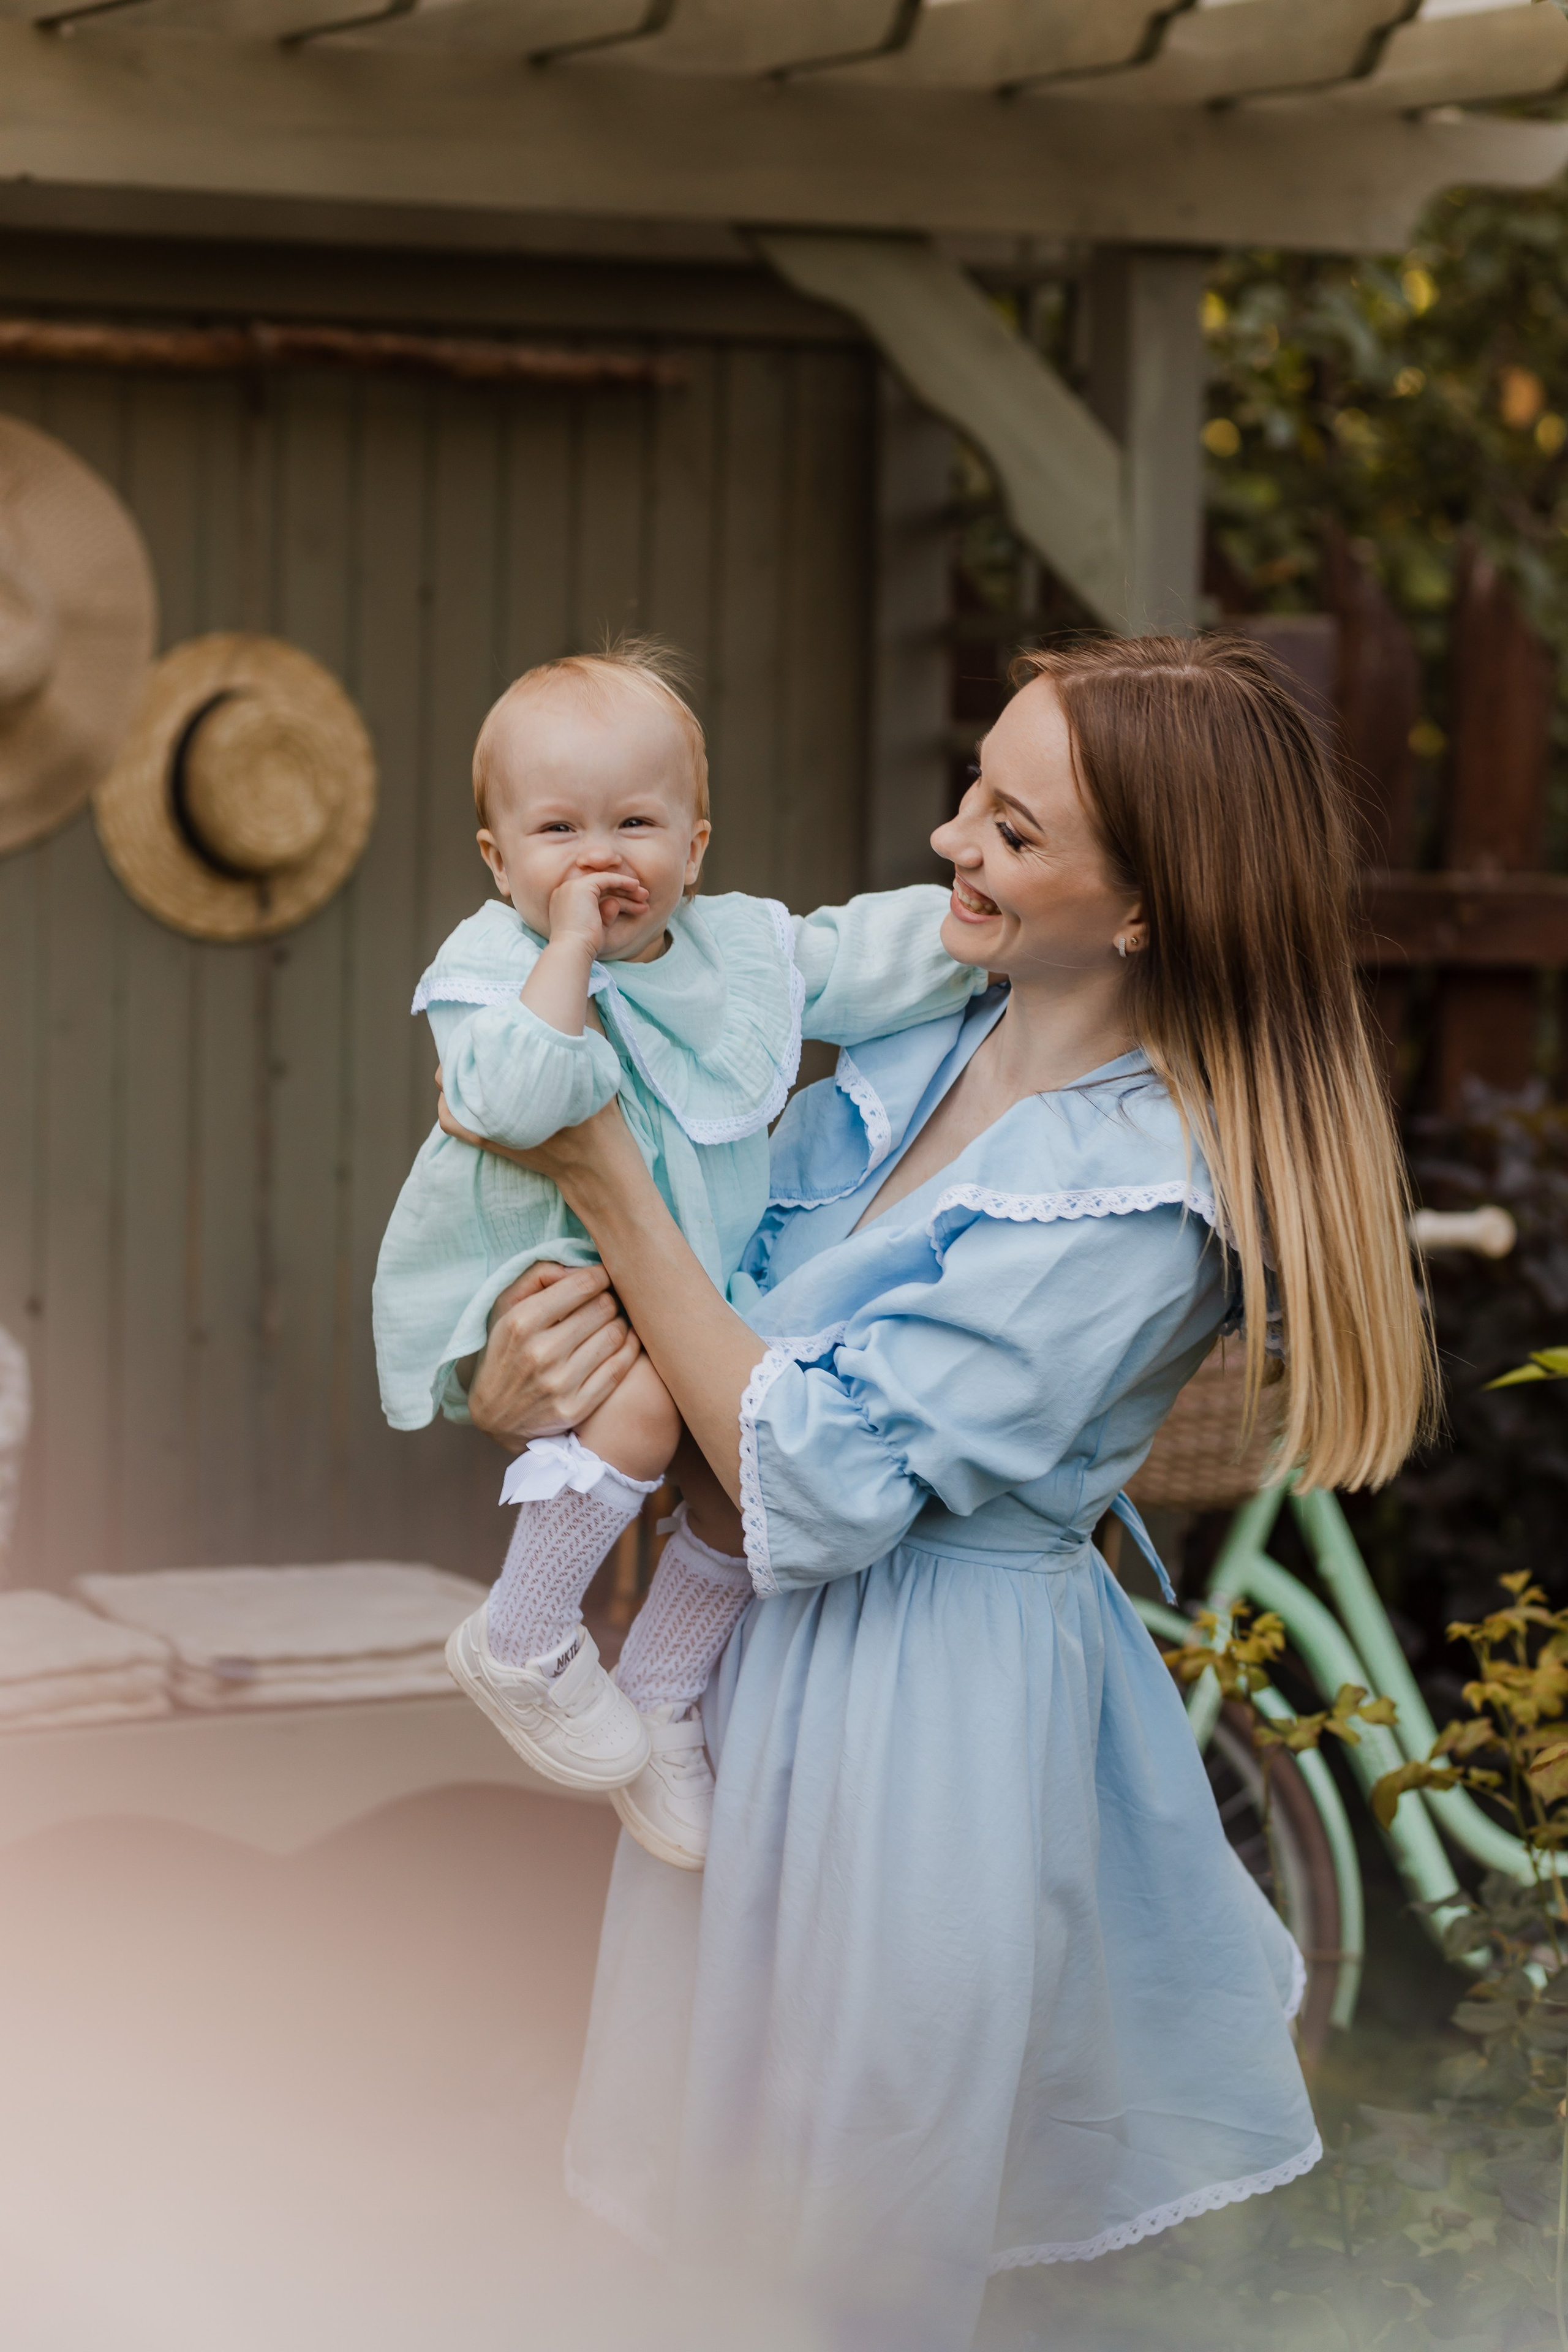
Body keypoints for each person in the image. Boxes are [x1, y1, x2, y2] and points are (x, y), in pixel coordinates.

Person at [445, 636, 1434, 2350]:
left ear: (1142, 908)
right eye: (971, 794)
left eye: (1013, 826)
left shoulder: (1138, 1195)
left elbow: (809, 1473)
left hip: (927, 1728)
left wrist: (604, 1176)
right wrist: (519, 1375)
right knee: (707, 2234)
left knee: (847, 2257)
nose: (952, 845)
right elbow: (712, 1335)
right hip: (751, 1672)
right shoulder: (919, 1038)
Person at [372, 644, 986, 1869]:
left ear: (696, 846)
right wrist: (565, 953)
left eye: (636, 822)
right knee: (657, 1405)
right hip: (531, 1264)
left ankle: (659, 1695)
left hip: (680, 1275)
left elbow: (866, 960)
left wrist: (991, 924)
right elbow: (517, 1097)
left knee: (736, 1449)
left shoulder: (735, 953)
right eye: (556, 828)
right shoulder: (494, 967)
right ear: (496, 860)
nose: (599, 857)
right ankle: (526, 1632)